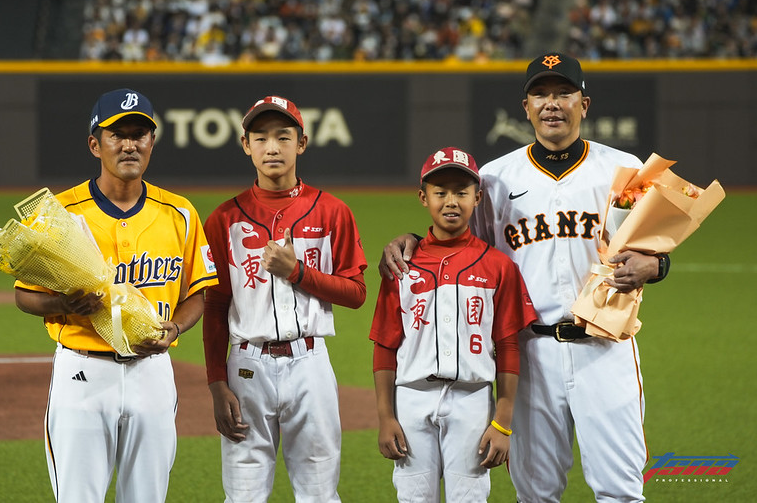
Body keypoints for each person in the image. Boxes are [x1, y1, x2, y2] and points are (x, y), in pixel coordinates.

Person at [381, 53, 670, 502]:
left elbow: (655, 244)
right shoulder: (496, 177)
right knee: (535, 493)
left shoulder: (623, 168)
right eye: (541, 94)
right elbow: (461, 246)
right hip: (529, 355)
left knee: (620, 489)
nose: (551, 103)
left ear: (584, 104)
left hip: (606, 347)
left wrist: (657, 267)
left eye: (563, 93)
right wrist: (414, 240)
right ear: (526, 107)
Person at [14, 88, 219, 502]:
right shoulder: (59, 213)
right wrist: (62, 305)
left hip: (153, 373)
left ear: (152, 142)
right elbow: (24, 294)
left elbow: (199, 292)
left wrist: (176, 326)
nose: (130, 144)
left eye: (140, 134)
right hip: (83, 373)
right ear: (95, 144)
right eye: (117, 134)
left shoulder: (179, 212)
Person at [202, 95, 367, 502]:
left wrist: (297, 273)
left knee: (319, 494)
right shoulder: (223, 219)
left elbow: (356, 293)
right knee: (242, 496)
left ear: (302, 143)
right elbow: (216, 306)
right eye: (260, 138)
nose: (272, 147)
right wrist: (215, 382)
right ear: (246, 145)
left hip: (310, 364)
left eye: (283, 137)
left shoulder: (333, 211)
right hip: (246, 367)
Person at [370, 147, 537, 502]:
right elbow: (385, 345)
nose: (451, 201)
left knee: (470, 498)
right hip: (411, 398)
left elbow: (508, 345)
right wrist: (385, 417)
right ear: (423, 197)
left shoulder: (497, 266)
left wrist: (503, 421)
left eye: (461, 192)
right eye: (440, 191)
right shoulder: (401, 265)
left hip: (473, 400)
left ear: (477, 198)